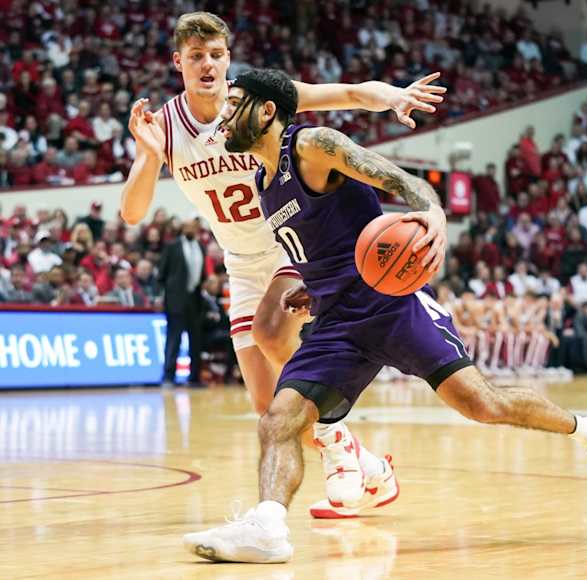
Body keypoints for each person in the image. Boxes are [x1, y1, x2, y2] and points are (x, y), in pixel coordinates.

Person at [183, 69, 587, 563]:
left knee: (481, 404)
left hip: (389, 303)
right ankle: (267, 527)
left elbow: (395, 178)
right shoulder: (263, 182)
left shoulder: (312, 144)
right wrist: (308, 284)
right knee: (279, 419)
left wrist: (433, 212)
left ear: (265, 110)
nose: (223, 114)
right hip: (336, 321)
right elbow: (325, 243)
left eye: (234, 103)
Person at [120, 11, 443, 515]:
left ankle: (338, 449)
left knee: (272, 332)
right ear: (177, 61)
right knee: (268, 408)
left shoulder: (252, 97)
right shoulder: (162, 126)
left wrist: (394, 97)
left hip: (291, 242)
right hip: (241, 263)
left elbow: (349, 92)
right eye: (197, 56)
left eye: (218, 55)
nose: (209, 65)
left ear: (228, 58)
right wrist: (146, 155)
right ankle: (367, 465)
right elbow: (133, 212)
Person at [158, 219, 205, 385]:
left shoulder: (201, 246)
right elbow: (162, 274)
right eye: (189, 225)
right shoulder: (172, 246)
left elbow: (202, 275)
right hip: (176, 300)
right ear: (183, 227)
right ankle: (168, 376)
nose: (191, 228)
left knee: (196, 340)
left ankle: (194, 377)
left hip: (194, 299)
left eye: (194, 225)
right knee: (174, 338)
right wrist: (165, 296)